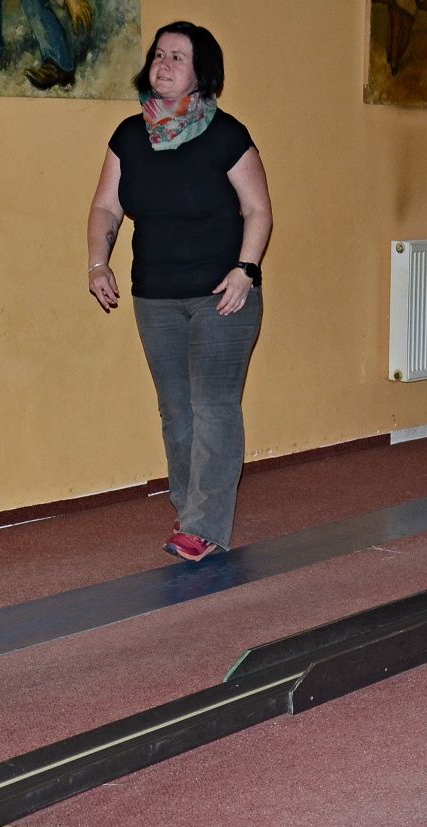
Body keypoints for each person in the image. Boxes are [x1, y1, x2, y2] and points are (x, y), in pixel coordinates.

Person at [86, 21, 272, 562]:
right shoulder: (129, 136)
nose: (163, 65)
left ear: (201, 72)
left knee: (213, 406)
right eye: (159, 55)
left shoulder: (227, 135)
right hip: (155, 295)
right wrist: (98, 263)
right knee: (176, 410)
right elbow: (106, 207)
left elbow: (258, 209)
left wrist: (246, 270)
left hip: (223, 293)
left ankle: (204, 526)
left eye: (178, 58)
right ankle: (190, 508)